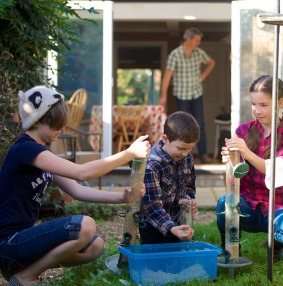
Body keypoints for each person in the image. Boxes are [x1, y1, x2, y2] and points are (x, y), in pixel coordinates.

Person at [0, 86, 151, 286]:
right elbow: (82, 172)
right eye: (56, 125)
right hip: (8, 245)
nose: (60, 130)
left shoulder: (39, 154)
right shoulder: (25, 149)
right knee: (85, 225)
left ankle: (26, 270)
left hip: (22, 244)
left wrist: (121, 198)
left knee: (95, 246)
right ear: (37, 122)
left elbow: (77, 189)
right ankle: (26, 277)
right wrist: (128, 154)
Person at [216, 75, 283, 261]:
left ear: (280, 103)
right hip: (249, 207)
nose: (257, 110)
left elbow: (277, 171)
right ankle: (231, 250)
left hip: (279, 210)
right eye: (253, 104)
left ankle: (277, 245)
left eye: (264, 105)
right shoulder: (243, 131)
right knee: (225, 203)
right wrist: (230, 161)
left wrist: (246, 152)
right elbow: (235, 179)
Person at [139, 111, 199, 244]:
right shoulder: (152, 165)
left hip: (178, 220)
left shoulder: (186, 156)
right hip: (153, 225)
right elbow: (151, 207)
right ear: (165, 138)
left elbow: (189, 186)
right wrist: (171, 227)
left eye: (190, 149)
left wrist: (188, 200)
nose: (185, 153)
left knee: (180, 259)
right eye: (181, 148)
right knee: (156, 261)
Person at [159, 27, 215, 164]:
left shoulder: (199, 53)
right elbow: (167, 76)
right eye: (196, 40)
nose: (198, 43)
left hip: (196, 93)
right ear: (188, 39)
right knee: (182, 125)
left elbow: (211, 62)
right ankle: (181, 154)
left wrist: (202, 76)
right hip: (181, 94)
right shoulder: (175, 54)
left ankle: (203, 155)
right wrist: (163, 96)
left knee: (200, 123)